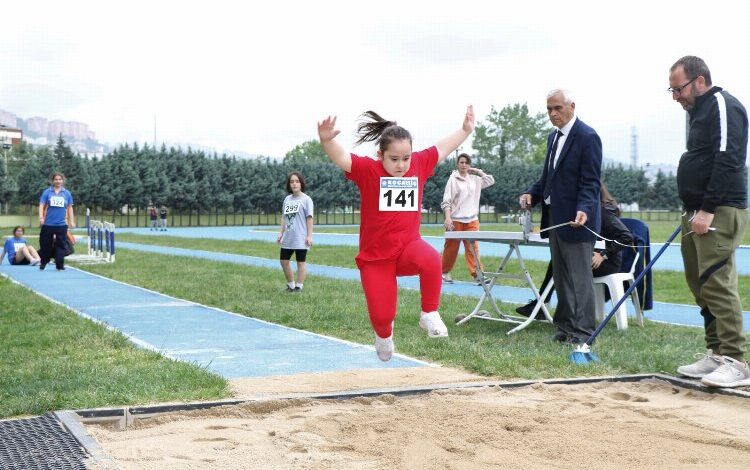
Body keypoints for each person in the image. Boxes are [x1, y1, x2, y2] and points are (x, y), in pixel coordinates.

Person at [317, 106, 475, 361]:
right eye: (394, 159)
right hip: (376, 258)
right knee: (382, 316)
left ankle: (429, 313)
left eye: (406, 158)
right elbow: (342, 157)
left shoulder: (420, 164)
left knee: (432, 258)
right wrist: (327, 140)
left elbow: (442, 147)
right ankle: (383, 334)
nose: (401, 165)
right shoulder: (368, 170)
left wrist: (465, 130)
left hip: (407, 248)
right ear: (380, 155)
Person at [668, 56, 749, 388]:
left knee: (716, 282)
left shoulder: (721, 105)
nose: (675, 96)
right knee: (699, 283)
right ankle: (716, 353)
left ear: (699, 80)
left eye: (679, 88)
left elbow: (729, 157)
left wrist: (708, 208)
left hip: (718, 210)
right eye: (671, 90)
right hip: (695, 210)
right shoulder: (696, 112)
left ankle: (736, 361)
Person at [520, 89, 602, 344]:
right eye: (549, 109)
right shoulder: (553, 138)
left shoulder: (588, 137)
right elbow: (548, 178)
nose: (553, 114)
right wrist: (531, 193)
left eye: (558, 108)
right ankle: (565, 327)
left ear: (572, 106)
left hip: (578, 221)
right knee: (561, 276)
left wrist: (585, 209)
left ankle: (584, 331)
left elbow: (591, 181)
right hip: (555, 219)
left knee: (580, 279)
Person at [516, 183, 633, 316]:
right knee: (558, 259)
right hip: (588, 256)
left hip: (607, 262)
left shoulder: (603, 211)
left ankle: (545, 307)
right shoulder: (584, 212)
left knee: (560, 263)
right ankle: (542, 305)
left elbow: (627, 237)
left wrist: (603, 254)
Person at [440, 153, 495, 285]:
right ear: (457, 164)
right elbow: (446, 201)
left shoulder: (475, 179)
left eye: (466, 162)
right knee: (451, 248)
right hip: (456, 220)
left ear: (469, 164)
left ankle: (478, 275)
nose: (464, 165)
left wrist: (477, 171)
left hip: (472, 220)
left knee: (473, 248)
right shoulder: (453, 180)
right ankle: (443, 272)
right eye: (461, 162)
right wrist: (448, 218)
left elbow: (490, 181)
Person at [277, 171, 314, 292]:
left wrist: (309, 236)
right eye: (292, 182)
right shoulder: (287, 199)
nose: (294, 184)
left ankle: (299, 286)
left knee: (300, 262)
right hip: (288, 237)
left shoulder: (306, 199)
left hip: (300, 237)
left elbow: (309, 219)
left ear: (301, 183)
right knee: (283, 261)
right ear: (289, 184)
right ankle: (291, 285)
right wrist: (280, 233)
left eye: (297, 181)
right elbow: (284, 217)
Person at [38, 172, 75, 271]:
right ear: (53, 181)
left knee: (61, 245)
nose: (58, 181)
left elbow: (70, 207)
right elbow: (41, 205)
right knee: (45, 244)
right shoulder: (47, 192)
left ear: (63, 181)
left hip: (61, 225)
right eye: (56, 179)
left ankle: (59, 264)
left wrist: (71, 221)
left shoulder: (66, 193)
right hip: (48, 224)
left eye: (60, 179)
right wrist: (41, 218)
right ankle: (44, 262)